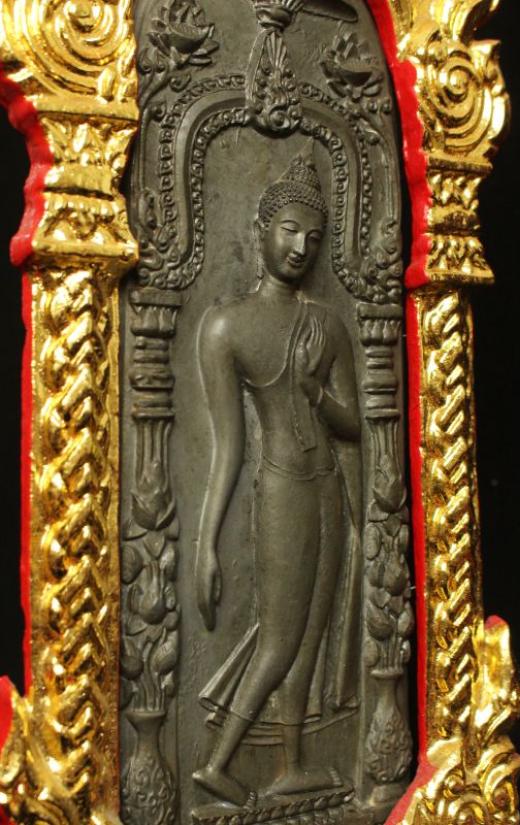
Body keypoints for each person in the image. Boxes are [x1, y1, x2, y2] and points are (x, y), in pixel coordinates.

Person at [193, 143, 362, 806]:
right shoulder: (225, 327)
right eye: (289, 231)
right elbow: (227, 448)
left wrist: (318, 394)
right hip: (282, 486)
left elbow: (354, 423)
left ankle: (293, 765)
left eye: (313, 239)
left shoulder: (327, 324)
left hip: (326, 487)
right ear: (262, 227)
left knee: (312, 632)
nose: (300, 248)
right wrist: (207, 543)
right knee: (280, 637)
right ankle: (216, 762)